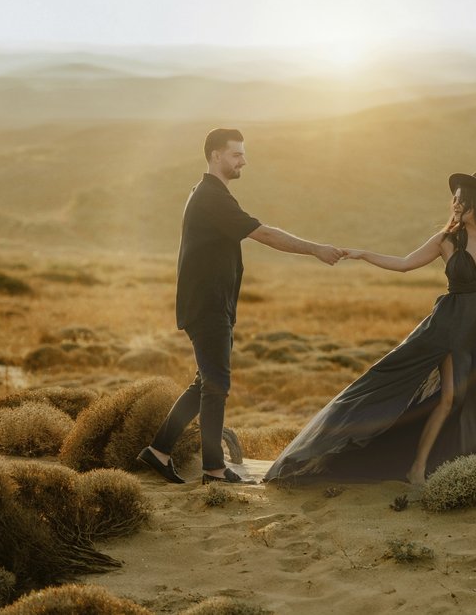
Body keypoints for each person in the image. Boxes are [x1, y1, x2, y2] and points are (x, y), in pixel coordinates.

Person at [264, 171, 476, 485]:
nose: (455, 205)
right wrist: (364, 255)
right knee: (450, 399)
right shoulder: (447, 240)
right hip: (451, 327)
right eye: (454, 199)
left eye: (462, 200)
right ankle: (417, 467)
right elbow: (404, 263)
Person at [137, 128, 344, 485]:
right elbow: (262, 232)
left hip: (210, 304)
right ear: (216, 155)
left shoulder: (209, 193)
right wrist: (315, 248)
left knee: (204, 383)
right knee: (216, 386)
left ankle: (157, 452)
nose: (243, 161)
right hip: (208, 306)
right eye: (236, 154)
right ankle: (214, 471)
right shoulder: (211, 197)